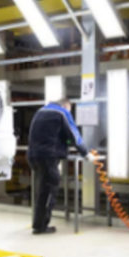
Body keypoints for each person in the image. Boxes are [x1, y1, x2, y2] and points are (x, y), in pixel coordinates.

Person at [28, 98, 89, 235]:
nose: (69, 112)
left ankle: (38, 223)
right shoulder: (62, 112)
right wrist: (85, 153)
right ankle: (41, 227)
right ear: (66, 105)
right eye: (69, 110)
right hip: (48, 156)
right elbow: (74, 134)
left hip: (34, 155)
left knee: (42, 191)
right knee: (48, 192)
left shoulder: (40, 111)